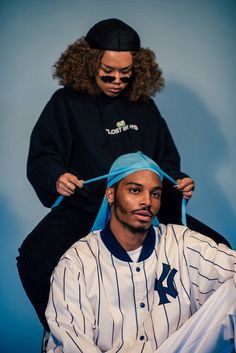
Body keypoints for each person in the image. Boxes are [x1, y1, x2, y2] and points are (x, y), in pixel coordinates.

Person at [16, 18, 229, 332]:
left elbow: (165, 163)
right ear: (88, 63)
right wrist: (56, 177)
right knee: (35, 258)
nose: (117, 80)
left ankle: (190, 335)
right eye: (108, 73)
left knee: (220, 251)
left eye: (125, 73)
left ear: (137, 69)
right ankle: (65, 332)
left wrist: (178, 181)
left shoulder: (144, 107)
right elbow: (44, 156)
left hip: (144, 206)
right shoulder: (65, 103)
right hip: (87, 205)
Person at [45, 151, 236, 353]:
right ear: (110, 194)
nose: (147, 201)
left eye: (155, 194)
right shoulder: (76, 264)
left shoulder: (182, 241)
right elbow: (72, 344)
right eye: (135, 190)